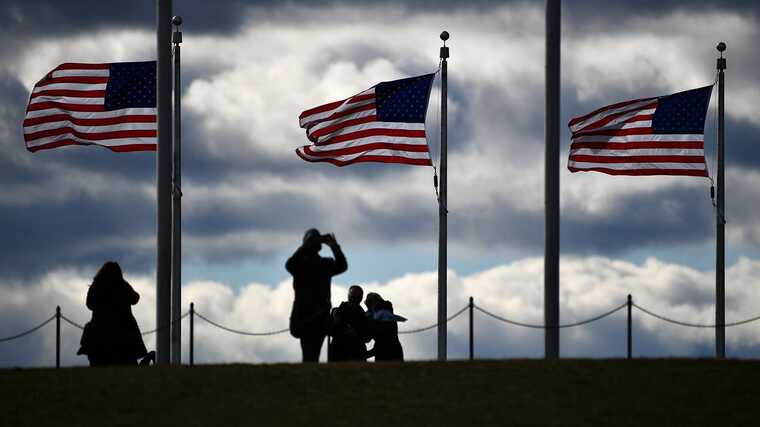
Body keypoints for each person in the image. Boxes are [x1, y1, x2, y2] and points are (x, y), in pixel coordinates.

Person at [286, 229, 348, 362]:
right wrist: (333, 247)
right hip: (311, 315)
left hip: (313, 315)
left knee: (310, 355)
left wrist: (306, 245)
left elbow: (342, 266)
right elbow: (289, 265)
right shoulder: (307, 264)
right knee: (311, 355)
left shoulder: (317, 264)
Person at [77, 261, 151, 366]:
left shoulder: (96, 285)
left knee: (99, 364)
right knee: (127, 363)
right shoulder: (122, 285)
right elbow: (135, 298)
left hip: (100, 331)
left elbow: (89, 304)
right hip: (123, 331)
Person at [328, 285, 371, 362]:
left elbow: (368, 337)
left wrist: (356, 333)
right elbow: (330, 331)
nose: (353, 299)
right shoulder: (336, 312)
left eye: (356, 297)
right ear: (348, 296)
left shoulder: (365, 316)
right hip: (338, 354)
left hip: (356, 355)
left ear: (361, 298)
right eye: (352, 296)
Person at [365, 292, 406, 362]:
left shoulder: (380, 315)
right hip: (395, 351)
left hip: (386, 353)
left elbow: (383, 341)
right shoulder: (386, 312)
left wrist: (364, 355)